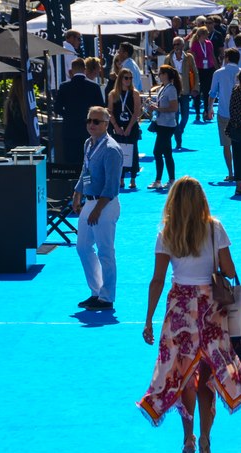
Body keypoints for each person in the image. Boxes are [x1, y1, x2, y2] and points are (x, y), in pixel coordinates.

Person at [137, 176, 241, 453]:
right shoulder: (214, 229)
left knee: (183, 376)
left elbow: (158, 280)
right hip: (210, 309)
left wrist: (148, 318)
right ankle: (206, 444)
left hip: (179, 311)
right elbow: (229, 270)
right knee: (208, 378)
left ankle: (188, 439)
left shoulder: (167, 233)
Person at [72, 106, 122, 312]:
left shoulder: (111, 149)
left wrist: (98, 209)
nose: (91, 125)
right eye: (89, 121)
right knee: (83, 247)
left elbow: (111, 185)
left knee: (105, 251)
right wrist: (77, 193)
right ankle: (96, 291)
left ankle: (107, 296)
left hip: (105, 204)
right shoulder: (88, 144)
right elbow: (85, 170)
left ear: (106, 124)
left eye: (96, 122)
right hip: (91, 201)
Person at [55, 57, 106, 165]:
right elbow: (101, 108)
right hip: (89, 128)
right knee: (89, 160)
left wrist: (68, 115)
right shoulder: (94, 87)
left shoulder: (64, 86)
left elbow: (57, 108)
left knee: (71, 160)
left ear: (72, 70)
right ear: (85, 69)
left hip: (69, 128)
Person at [208, 48, 241, 182]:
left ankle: (231, 172)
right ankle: (240, 171)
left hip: (223, 111)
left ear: (226, 58)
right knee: (239, 143)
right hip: (239, 114)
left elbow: (212, 93)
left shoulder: (218, 73)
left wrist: (209, 108)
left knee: (226, 144)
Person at [107, 68, 143, 189]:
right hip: (117, 126)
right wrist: (116, 127)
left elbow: (136, 112)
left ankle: (133, 178)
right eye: (126, 78)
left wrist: (129, 127)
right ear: (120, 79)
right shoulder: (113, 94)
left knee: (133, 151)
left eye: (130, 78)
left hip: (131, 126)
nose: (128, 80)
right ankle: (121, 178)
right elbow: (110, 112)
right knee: (118, 152)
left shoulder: (135, 93)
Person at [148, 65, 180, 190]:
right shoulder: (163, 88)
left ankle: (159, 180)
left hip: (167, 125)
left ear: (166, 75)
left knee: (157, 152)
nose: (159, 76)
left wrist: (158, 108)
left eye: (160, 73)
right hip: (162, 124)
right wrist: (154, 106)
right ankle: (169, 179)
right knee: (167, 152)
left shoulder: (171, 89)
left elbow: (174, 108)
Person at [168, 36, 198, 150]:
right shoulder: (169, 58)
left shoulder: (189, 57)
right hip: (173, 91)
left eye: (178, 44)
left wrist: (195, 87)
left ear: (183, 45)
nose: (176, 47)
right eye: (174, 44)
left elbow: (195, 73)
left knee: (185, 116)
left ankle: (179, 131)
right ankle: (178, 140)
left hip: (185, 90)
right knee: (175, 116)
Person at [191, 26, 217, 121]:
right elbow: (193, 58)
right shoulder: (195, 44)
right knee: (198, 91)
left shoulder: (209, 43)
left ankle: (206, 111)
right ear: (201, 35)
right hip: (199, 70)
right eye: (206, 34)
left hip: (209, 69)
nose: (207, 35)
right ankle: (198, 112)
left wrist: (216, 67)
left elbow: (212, 55)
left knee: (207, 92)